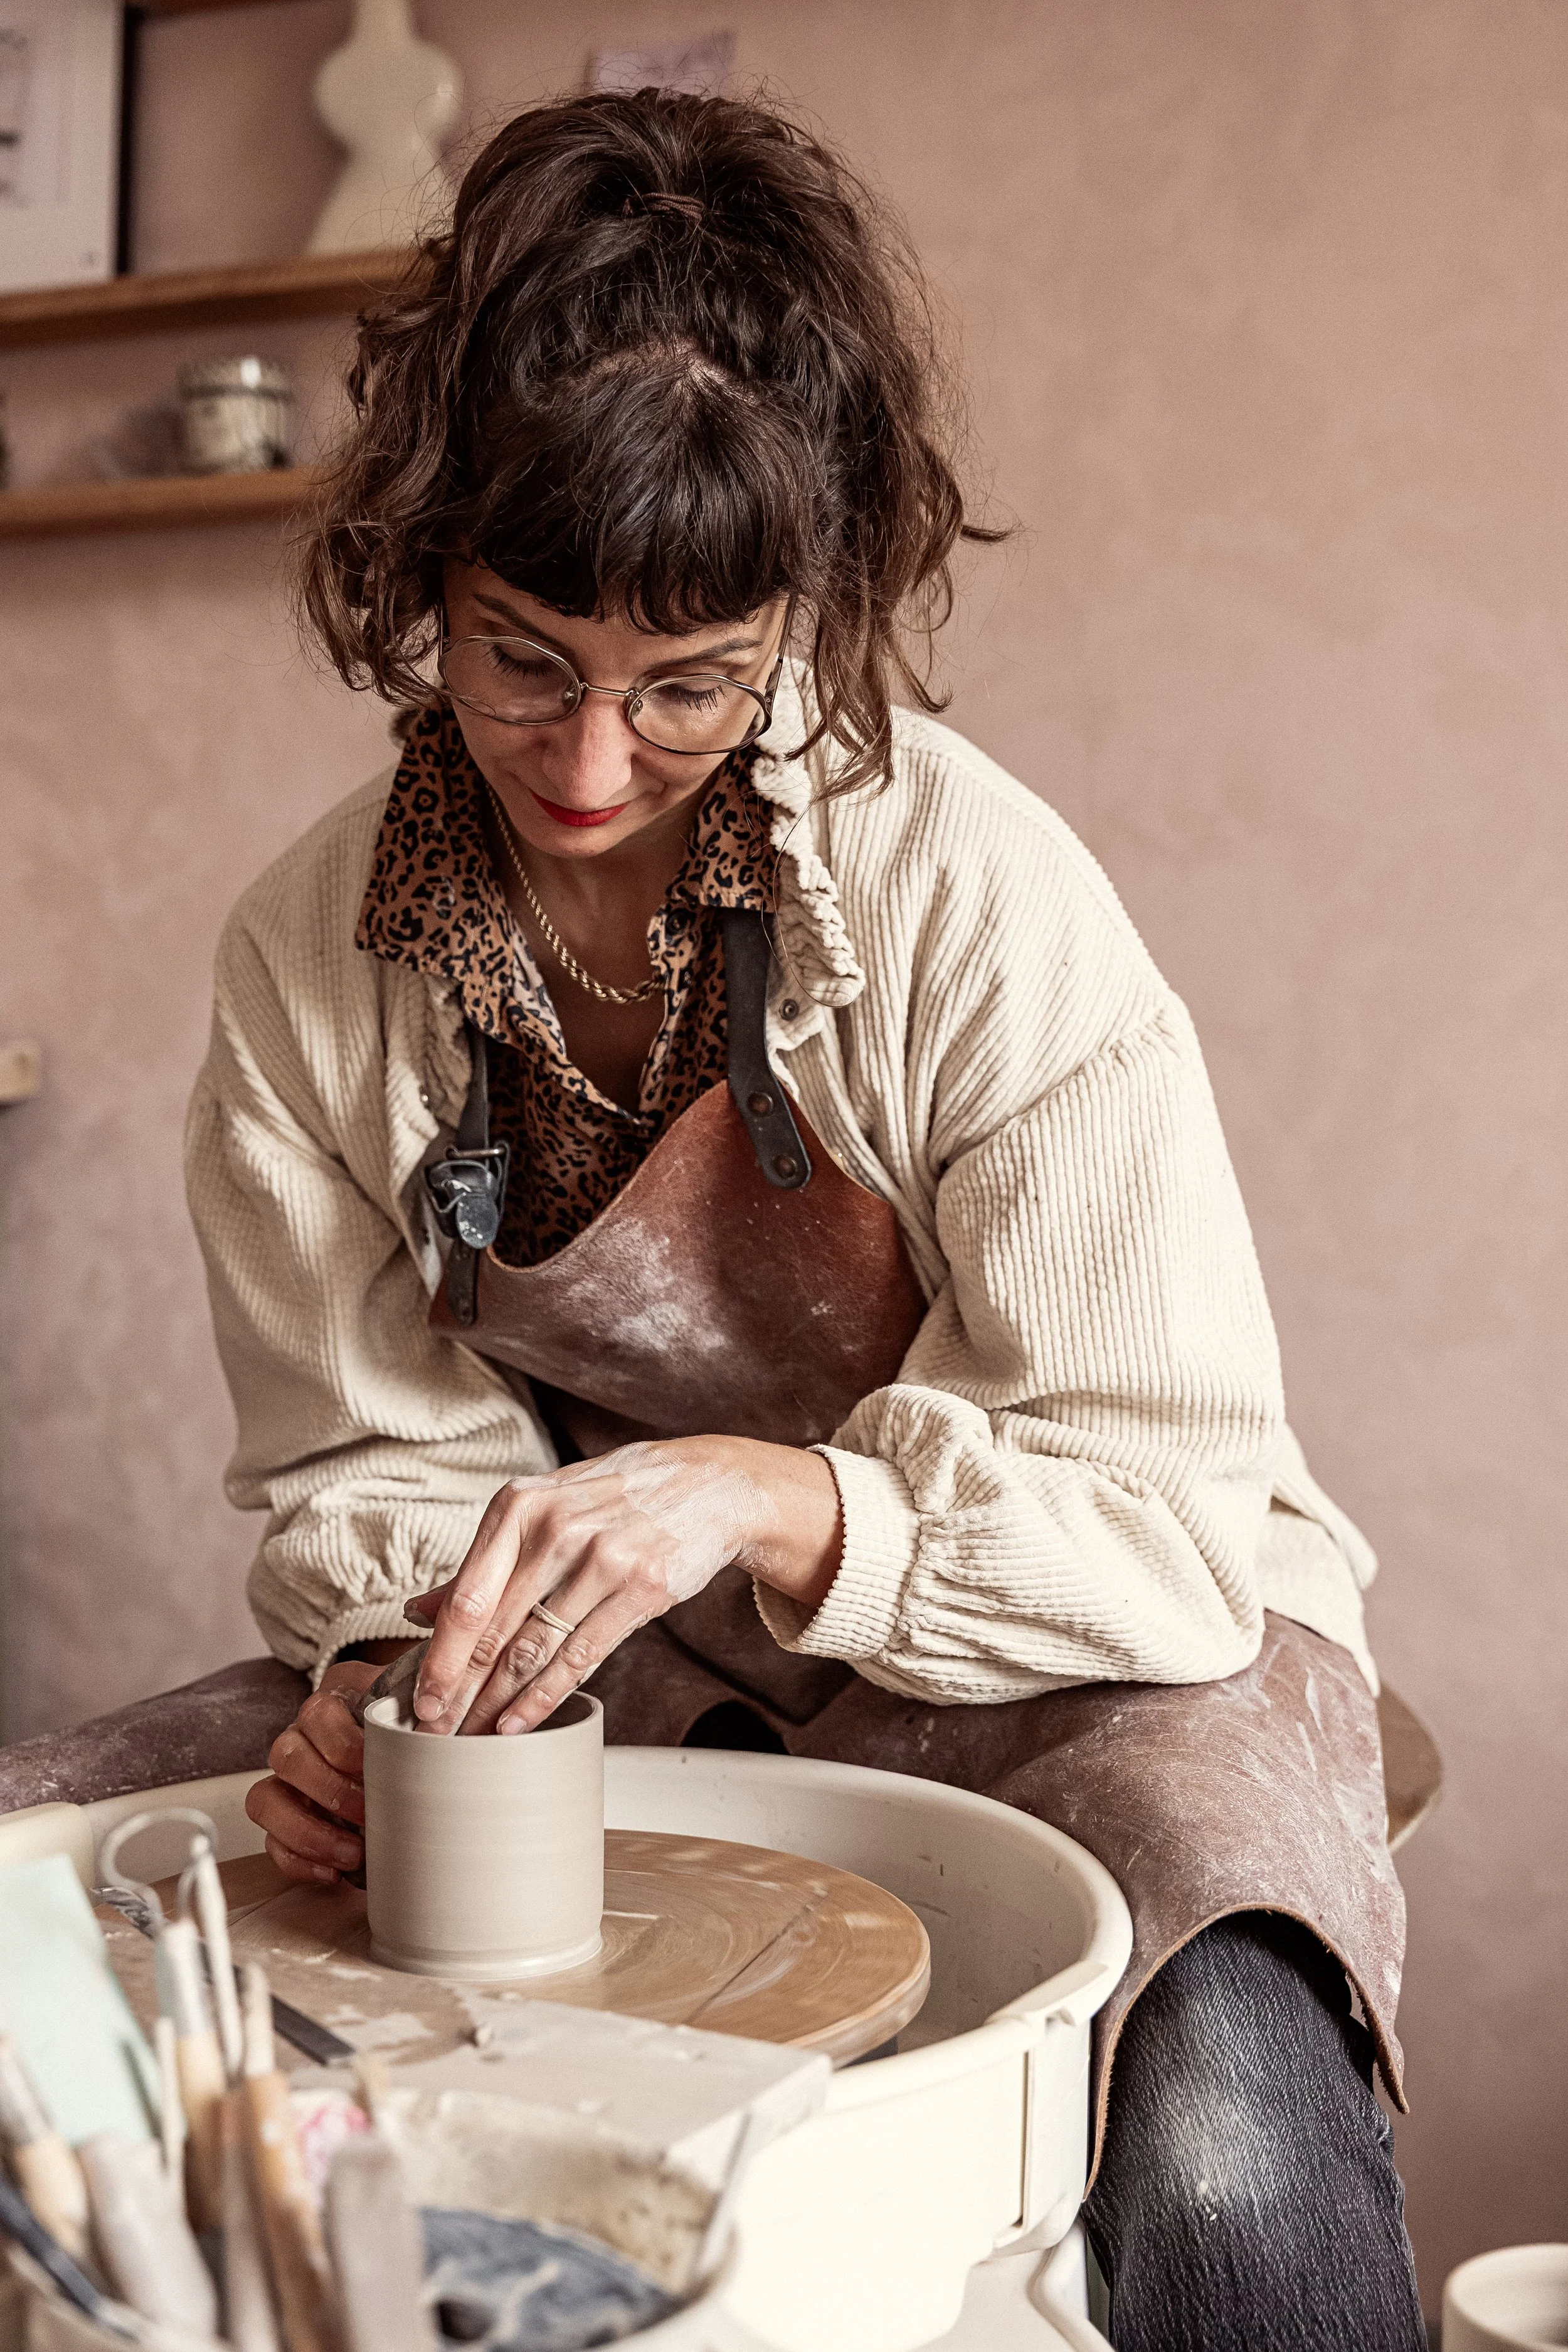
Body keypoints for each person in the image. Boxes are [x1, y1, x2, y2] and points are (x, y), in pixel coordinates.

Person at [186, 90, 1426, 2351]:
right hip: (633, 1671)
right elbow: (359, 1471)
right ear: (415, 586)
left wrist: (761, 1491)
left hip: (1089, 1651)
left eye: (687, 688)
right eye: (521, 656)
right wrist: (391, 1682)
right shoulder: (305, 961)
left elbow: (1156, 1504)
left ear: (802, 616)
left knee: (1227, 2147)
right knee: (90, 1892)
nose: (582, 766)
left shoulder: (973, 894)